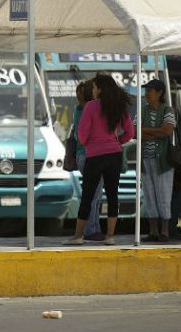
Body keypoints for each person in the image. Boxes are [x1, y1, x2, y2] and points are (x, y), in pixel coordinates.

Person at [63, 74, 134, 246]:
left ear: (100, 88)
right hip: (114, 154)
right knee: (112, 195)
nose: (92, 90)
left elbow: (82, 133)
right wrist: (118, 142)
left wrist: (89, 144)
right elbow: (130, 132)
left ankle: (78, 235)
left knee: (88, 195)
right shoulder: (119, 106)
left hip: (94, 155)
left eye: (94, 87)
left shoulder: (90, 106)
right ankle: (110, 236)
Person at [138, 79, 177, 243]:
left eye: (150, 91)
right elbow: (134, 132)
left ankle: (164, 231)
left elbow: (167, 131)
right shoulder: (142, 111)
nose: (147, 94)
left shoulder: (168, 110)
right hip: (146, 160)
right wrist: (157, 131)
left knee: (164, 194)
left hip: (163, 162)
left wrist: (145, 130)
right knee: (149, 195)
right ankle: (154, 231)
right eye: (146, 91)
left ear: (159, 93)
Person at [73, 80, 104, 241]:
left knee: (95, 195)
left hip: (84, 155)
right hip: (90, 155)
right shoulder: (89, 110)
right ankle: (91, 230)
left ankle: (94, 228)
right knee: (94, 196)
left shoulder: (79, 110)